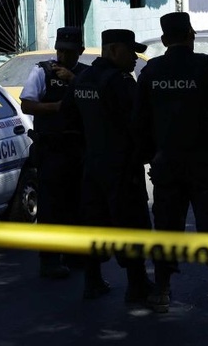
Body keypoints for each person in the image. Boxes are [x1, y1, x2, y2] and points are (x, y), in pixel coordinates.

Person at [133, 12, 208, 315]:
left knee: (167, 228)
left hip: (167, 165)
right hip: (206, 165)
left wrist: (150, 157)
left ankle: (161, 292)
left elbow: (140, 123)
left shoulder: (151, 71)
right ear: (191, 35)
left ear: (163, 40)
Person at [61, 29, 153, 303]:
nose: (136, 58)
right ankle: (137, 286)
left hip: (91, 165)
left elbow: (68, 117)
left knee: (93, 222)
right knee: (131, 223)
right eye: (130, 51)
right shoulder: (121, 82)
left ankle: (93, 281)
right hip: (122, 167)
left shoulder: (83, 78)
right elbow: (140, 123)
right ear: (113, 50)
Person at [20, 27, 89, 279]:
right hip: (52, 150)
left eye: (69, 52)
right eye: (60, 50)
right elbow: (27, 104)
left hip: (79, 151)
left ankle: (75, 255)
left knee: (78, 205)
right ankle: (49, 260)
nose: (63, 55)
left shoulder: (84, 75)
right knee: (51, 208)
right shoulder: (42, 71)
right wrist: (56, 107)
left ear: (80, 52)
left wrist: (73, 80)